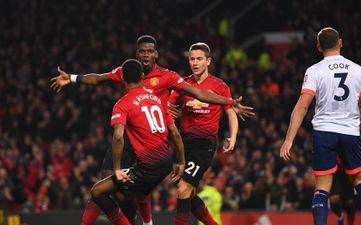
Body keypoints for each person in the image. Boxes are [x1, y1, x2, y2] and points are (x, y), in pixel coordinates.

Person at [50, 35, 253, 225]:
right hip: (131, 137)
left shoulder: (167, 76)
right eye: (142, 51)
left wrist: (228, 102)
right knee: (107, 180)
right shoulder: (126, 71)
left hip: (154, 141)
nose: (145, 55)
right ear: (137, 54)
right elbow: (99, 78)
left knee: (145, 189)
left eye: (149, 51)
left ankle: (146, 222)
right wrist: (72, 77)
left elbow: (198, 93)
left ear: (156, 54)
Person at [279, 27, 361, 225]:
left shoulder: (315, 71)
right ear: (340, 43)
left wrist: (289, 139)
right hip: (350, 131)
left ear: (319, 47)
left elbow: (302, 107)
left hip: (324, 132)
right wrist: (359, 140)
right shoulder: (358, 70)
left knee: (322, 187)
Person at [90, 58, 185, 225]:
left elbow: (118, 136)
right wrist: (182, 162)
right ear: (142, 76)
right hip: (167, 163)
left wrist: (118, 168)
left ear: (123, 79)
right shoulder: (157, 99)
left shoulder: (122, 104)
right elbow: (175, 134)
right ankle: (147, 223)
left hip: (148, 167)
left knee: (97, 191)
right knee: (126, 193)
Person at [169, 42, 238, 225]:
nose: (195, 62)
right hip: (182, 145)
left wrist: (233, 137)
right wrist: (168, 108)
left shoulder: (219, 85)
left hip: (204, 144)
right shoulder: (182, 84)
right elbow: (169, 106)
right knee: (189, 194)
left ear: (208, 61)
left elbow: (230, 112)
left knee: (183, 189)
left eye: (199, 59)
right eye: (192, 59)